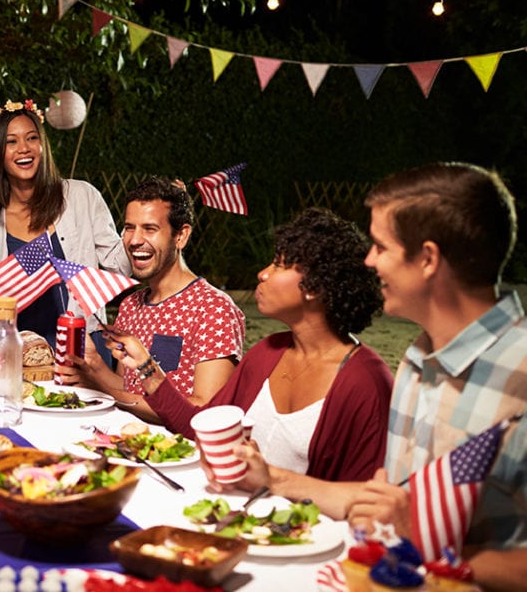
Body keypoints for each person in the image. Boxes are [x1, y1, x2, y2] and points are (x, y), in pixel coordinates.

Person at [214, 163, 526, 590]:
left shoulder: (520, 375)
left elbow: (413, 528)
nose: (368, 260)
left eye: (381, 246)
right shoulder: (420, 358)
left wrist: (428, 544)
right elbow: (384, 505)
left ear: (428, 259)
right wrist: (273, 478)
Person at [124, 207, 391, 481]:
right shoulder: (268, 353)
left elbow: (364, 498)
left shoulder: (366, 382)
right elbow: (200, 427)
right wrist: (146, 366)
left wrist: (274, 485)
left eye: (279, 264)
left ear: (315, 285)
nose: (263, 274)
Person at [60, 176, 245, 414]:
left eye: (150, 229)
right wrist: (94, 364)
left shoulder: (213, 309)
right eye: (129, 228)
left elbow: (206, 408)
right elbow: (129, 388)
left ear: (181, 236)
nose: (135, 240)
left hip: (180, 448)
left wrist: (109, 395)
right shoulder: (131, 305)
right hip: (129, 440)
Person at [0, 99, 129, 342]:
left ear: (42, 144)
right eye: (11, 141)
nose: (24, 148)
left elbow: (120, 267)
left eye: (32, 138)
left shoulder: (80, 196)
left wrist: (138, 229)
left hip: (83, 344)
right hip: (22, 352)